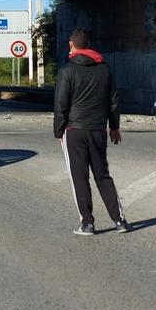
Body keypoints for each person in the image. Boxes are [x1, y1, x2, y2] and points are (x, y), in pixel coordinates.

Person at [52, 26, 129, 236]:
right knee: (102, 175)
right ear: (88, 46)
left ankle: (87, 223)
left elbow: (61, 105)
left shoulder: (67, 71)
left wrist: (58, 131)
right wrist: (114, 126)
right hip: (98, 129)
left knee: (79, 177)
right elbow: (113, 101)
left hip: (74, 131)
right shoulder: (104, 69)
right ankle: (120, 220)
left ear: (71, 45)